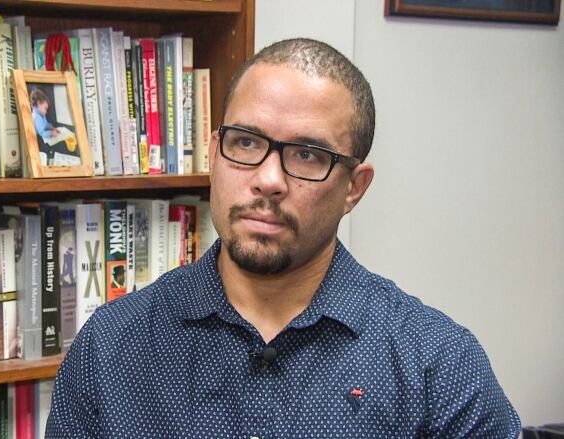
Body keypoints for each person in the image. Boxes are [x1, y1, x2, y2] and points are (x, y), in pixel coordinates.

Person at [45, 38, 520, 438]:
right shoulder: (110, 349)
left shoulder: (438, 366)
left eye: (307, 155)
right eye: (246, 143)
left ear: (354, 188)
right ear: (213, 153)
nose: (269, 179)